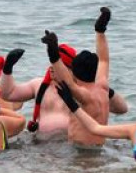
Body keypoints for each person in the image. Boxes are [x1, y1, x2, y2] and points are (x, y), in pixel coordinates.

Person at [44, 9, 113, 147]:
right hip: (99, 147)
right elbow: (104, 60)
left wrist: (53, 53)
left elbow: (68, 83)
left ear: (74, 72)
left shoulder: (85, 95)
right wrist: (100, 31)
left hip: (83, 153)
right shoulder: (102, 86)